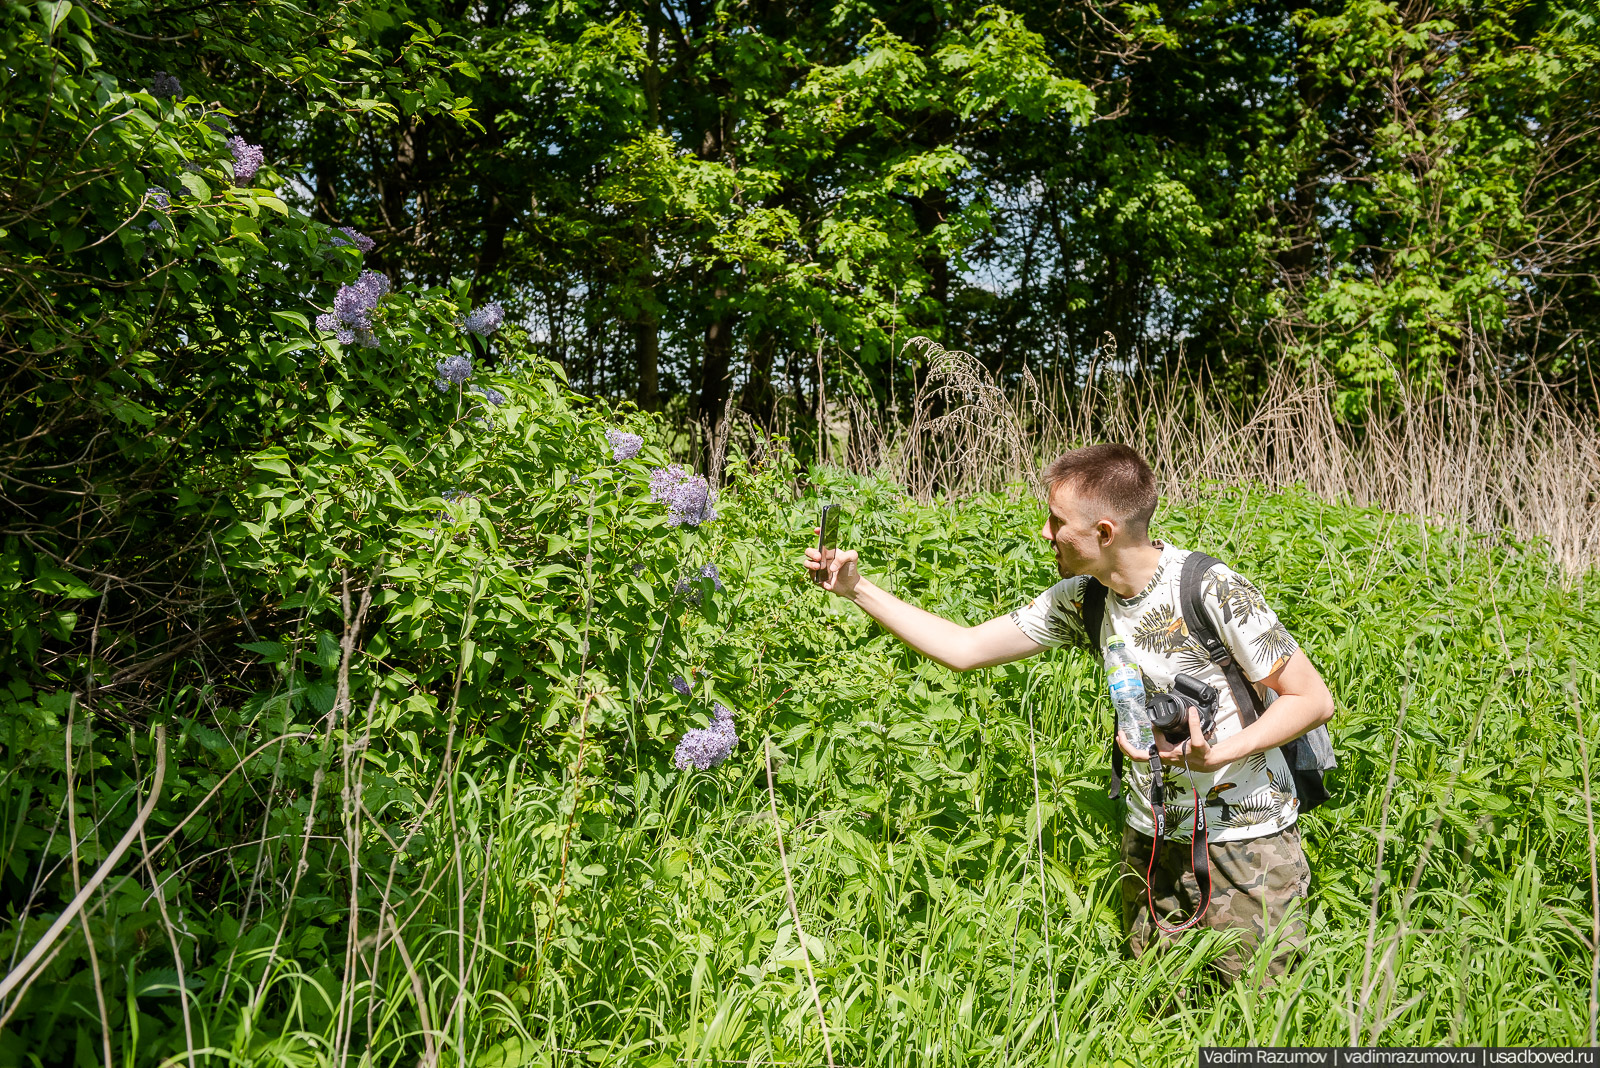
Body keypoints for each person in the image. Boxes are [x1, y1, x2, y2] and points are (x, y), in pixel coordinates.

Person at [803, 443, 1336, 985]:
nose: (1045, 533)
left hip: (1247, 840)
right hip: (1150, 837)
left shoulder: (1208, 588)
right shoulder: (1085, 598)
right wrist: (856, 589)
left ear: (1105, 532)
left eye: (1057, 521)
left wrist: (1218, 753)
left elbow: (1312, 699)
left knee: (1260, 1012)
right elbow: (963, 649)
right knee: (1160, 1008)